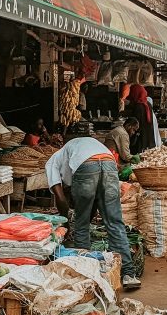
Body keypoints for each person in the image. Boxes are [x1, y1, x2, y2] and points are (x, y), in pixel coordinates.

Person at [45, 137, 141, 289]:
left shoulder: (52, 161)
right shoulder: (73, 148)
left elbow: (60, 198)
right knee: (114, 222)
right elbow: (94, 201)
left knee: (81, 225)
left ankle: (87, 274)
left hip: (86, 165)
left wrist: (67, 224)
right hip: (109, 163)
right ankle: (129, 274)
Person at [125, 83, 156, 153]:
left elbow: (135, 122)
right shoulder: (148, 104)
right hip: (148, 134)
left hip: (140, 135)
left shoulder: (138, 106)